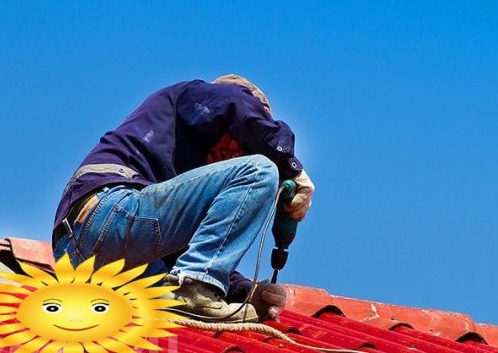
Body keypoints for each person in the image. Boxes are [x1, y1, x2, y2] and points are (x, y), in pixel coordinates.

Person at [51, 75, 315, 322]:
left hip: (83, 256)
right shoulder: (199, 96)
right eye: (239, 140)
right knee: (260, 169)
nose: (234, 153)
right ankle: (195, 289)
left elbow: (189, 254)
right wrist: (286, 164)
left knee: (168, 311)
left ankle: (196, 289)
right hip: (110, 211)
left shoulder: (183, 186)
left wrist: (246, 292)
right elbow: (235, 104)